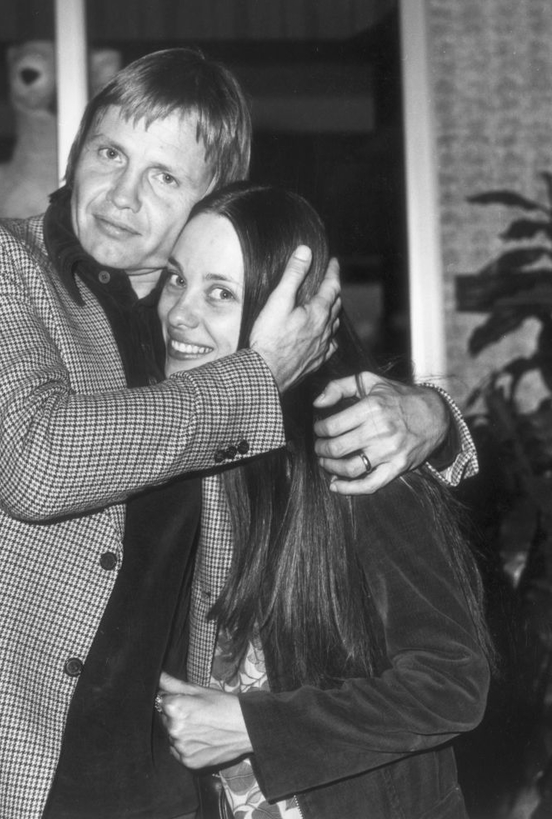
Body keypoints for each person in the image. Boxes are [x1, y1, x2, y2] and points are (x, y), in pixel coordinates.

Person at [0, 49, 474, 819]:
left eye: (165, 177)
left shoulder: (204, 340)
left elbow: (336, 446)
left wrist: (433, 419)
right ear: (78, 149)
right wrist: (256, 375)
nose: (121, 194)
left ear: (213, 202)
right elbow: (36, 459)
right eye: (111, 153)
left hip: (152, 789)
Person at [155, 183, 492, 819]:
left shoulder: (351, 448)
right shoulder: (173, 446)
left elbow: (451, 683)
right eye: (177, 280)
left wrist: (256, 727)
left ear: (292, 316)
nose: (180, 313)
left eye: (221, 292)